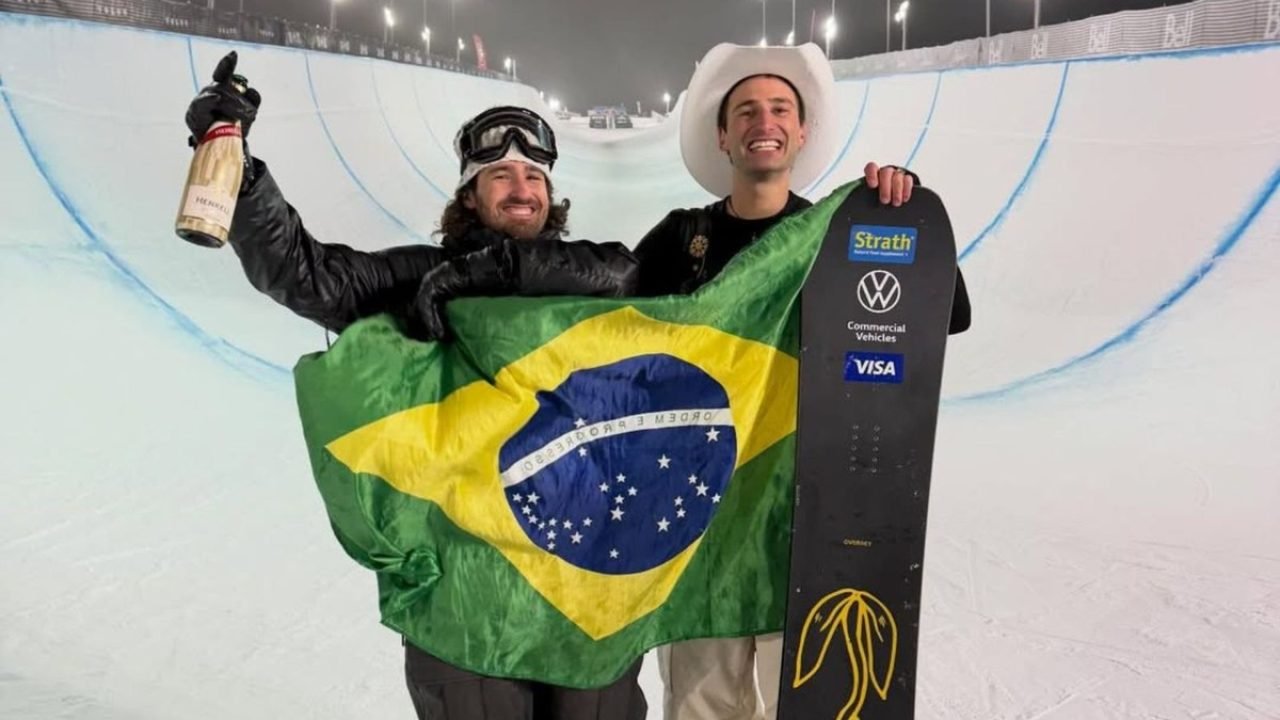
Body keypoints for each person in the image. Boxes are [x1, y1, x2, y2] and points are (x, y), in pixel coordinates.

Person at [184, 51, 647, 720]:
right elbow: (305, 275)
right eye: (500, 175)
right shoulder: (417, 278)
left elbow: (624, 272)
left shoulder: (592, 277)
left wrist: (486, 274)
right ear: (470, 196)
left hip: (582, 584)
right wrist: (239, 170)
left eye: (533, 176)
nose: (521, 188)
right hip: (465, 594)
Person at [633, 42, 972, 720]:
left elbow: (948, 313)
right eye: (746, 111)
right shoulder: (679, 240)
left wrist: (897, 213)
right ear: (722, 136)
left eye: (780, 109)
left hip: (804, 531)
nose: (765, 122)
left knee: (809, 702)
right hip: (702, 530)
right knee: (701, 709)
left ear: (802, 131)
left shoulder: (837, 236)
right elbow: (600, 329)